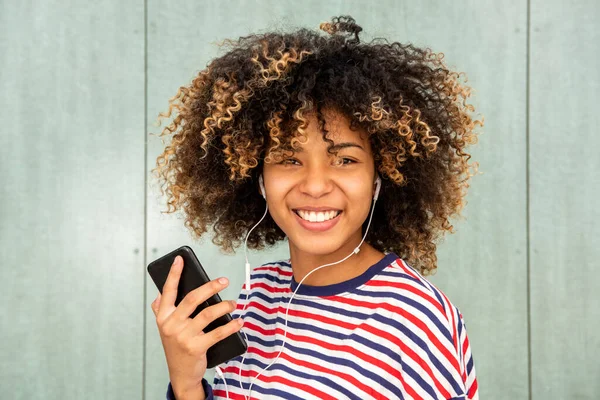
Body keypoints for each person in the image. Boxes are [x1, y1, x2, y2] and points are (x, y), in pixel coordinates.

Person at [149, 15, 483, 400]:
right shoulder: (258, 293)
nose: (315, 186)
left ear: (381, 177)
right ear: (257, 178)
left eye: (345, 160)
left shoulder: (416, 320)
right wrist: (186, 382)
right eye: (289, 159)